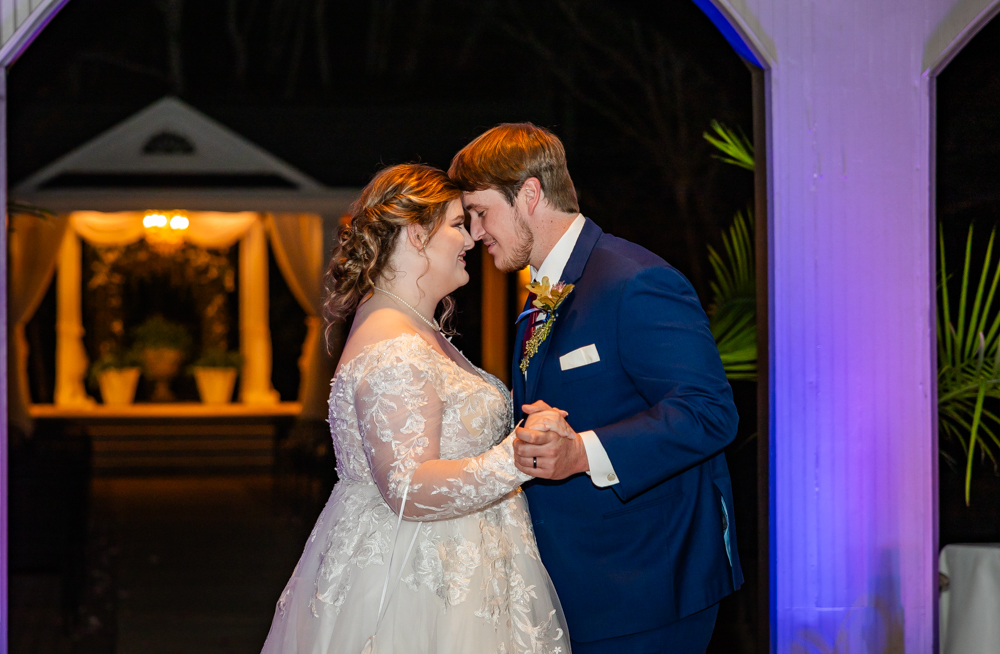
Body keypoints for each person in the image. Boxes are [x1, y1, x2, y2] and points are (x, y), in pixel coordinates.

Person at [449, 123, 744, 654]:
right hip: (583, 585)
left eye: (480, 212)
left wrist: (582, 452)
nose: (474, 232)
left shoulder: (636, 281)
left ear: (530, 194)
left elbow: (709, 413)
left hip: (649, 585)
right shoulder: (538, 301)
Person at [260, 163, 569, 654]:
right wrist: (517, 455)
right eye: (456, 224)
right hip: (416, 582)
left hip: (457, 573)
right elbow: (406, 490)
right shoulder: (394, 346)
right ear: (415, 234)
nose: (470, 239)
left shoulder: (411, 327)